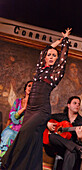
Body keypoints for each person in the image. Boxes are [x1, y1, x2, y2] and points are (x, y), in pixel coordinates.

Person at [1, 28, 72, 170]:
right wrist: (57, 41)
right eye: (49, 55)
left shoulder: (55, 73)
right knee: (32, 140)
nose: (51, 57)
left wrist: (65, 41)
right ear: (45, 57)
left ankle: (9, 164)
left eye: (54, 56)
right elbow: (44, 51)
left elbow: (63, 57)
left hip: (41, 110)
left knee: (24, 132)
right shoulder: (40, 69)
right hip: (30, 110)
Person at [44, 96, 82, 170]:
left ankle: (75, 147)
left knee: (71, 151)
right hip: (58, 147)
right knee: (52, 136)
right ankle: (76, 147)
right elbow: (43, 118)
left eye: (79, 104)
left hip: (70, 150)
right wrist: (47, 123)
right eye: (75, 103)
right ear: (68, 105)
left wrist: (79, 138)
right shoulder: (60, 117)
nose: (77, 105)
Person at [0, 80, 33, 158]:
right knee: (8, 134)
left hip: (23, 131)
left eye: (33, 87)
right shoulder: (18, 102)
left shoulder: (33, 106)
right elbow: (13, 118)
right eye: (29, 86)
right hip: (12, 128)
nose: (30, 88)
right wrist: (23, 109)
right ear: (25, 89)